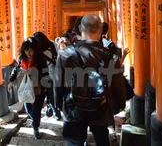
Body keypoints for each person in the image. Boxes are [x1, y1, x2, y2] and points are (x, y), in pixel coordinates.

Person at [54, 14, 126, 146]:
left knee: (74, 141)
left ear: (81, 28)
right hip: (101, 107)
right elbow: (118, 85)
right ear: (100, 31)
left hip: (73, 106)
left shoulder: (65, 54)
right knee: (102, 140)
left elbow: (58, 83)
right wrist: (119, 105)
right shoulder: (110, 57)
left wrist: (58, 104)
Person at [7, 37, 49, 139]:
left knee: (36, 110)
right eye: (26, 50)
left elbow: (45, 73)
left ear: (36, 50)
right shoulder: (21, 58)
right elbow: (15, 69)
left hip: (38, 88)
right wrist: (11, 81)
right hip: (25, 88)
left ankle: (35, 128)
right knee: (28, 109)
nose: (29, 53)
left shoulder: (41, 59)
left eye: (31, 50)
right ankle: (35, 120)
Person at [33, 32, 62, 120]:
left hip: (47, 75)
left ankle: (55, 112)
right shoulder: (51, 44)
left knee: (49, 94)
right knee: (51, 94)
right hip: (54, 73)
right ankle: (51, 110)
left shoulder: (41, 51)